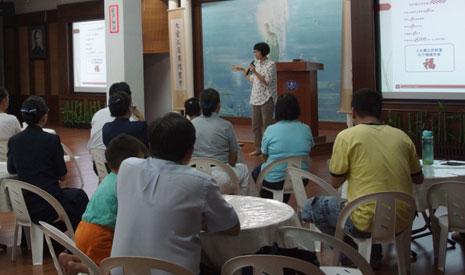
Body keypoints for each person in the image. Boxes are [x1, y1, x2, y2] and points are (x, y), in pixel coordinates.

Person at [302, 89, 424, 268]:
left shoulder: (347, 136)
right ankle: (371, 253)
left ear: (353, 112)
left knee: (312, 207)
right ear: (380, 112)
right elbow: (418, 179)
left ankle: (351, 256)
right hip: (402, 219)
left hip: (364, 220)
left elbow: (336, 182)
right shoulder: (402, 136)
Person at [111, 113, 240, 274]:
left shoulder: (127, 166)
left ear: (150, 145)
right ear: (190, 150)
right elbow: (232, 227)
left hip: (121, 270)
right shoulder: (200, 182)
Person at [7, 96, 89, 230]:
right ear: (44, 117)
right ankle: (77, 239)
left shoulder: (14, 140)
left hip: (23, 204)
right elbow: (62, 175)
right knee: (79, 196)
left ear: (23, 115)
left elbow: (11, 169)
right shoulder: (52, 140)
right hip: (49, 203)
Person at [75, 134, 147, 265]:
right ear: (129, 164)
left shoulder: (108, 179)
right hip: (101, 237)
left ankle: (75, 261)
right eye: (141, 162)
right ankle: (79, 268)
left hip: (82, 231)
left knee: (93, 262)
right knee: (114, 269)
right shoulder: (124, 184)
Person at [251, 93, 314, 203]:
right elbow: (309, 150)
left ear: (277, 110)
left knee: (256, 172)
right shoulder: (306, 129)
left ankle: (272, 201)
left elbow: (264, 155)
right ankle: (282, 201)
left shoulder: (270, 130)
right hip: (301, 179)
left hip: (274, 180)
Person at [192, 88, 250, 195]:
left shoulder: (191, 124)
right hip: (220, 180)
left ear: (200, 105)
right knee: (244, 170)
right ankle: (240, 205)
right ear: (219, 105)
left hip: (195, 178)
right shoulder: (226, 126)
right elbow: (233, 160)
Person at [232, 42, 277, 156]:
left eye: (256, 51)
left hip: (267, 98)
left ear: (263, 52)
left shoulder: (270, 65)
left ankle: (268, 150)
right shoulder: (255, 63)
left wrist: (255, 72)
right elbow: (251, 80)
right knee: (255, 125)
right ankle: (258, 148)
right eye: (254, 52)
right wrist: (243, 70)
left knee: (267, 125)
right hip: (255, 98)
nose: (255, 54)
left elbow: (267, 82)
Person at [87, 82, 143, 151]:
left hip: (95, 156)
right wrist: (140, 116)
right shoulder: (131, 121)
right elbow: (142, 141)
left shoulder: (98, 114)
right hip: (115, 158)